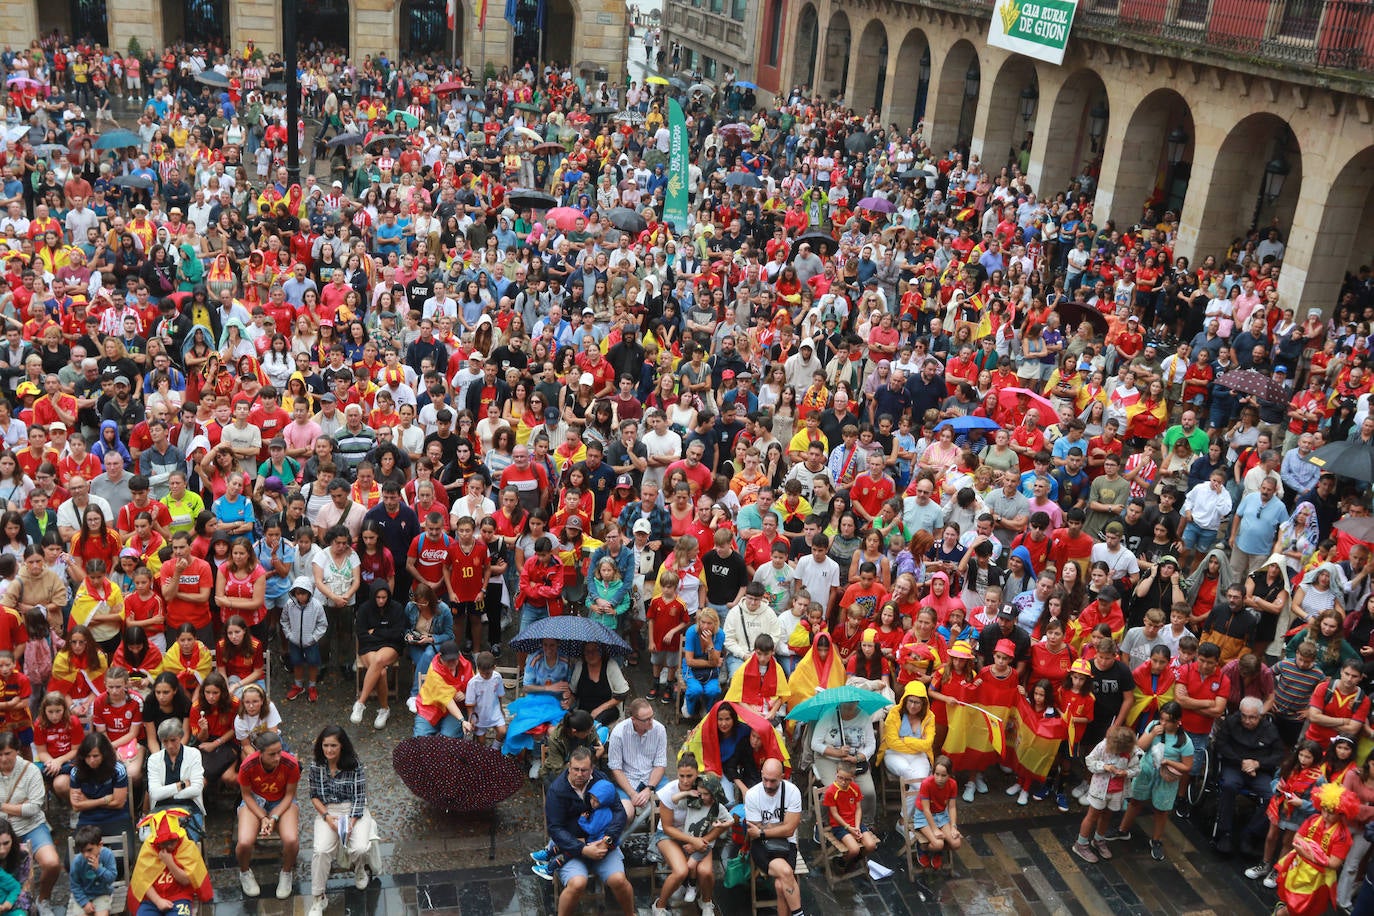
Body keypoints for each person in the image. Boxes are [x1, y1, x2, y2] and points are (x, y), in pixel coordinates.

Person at [543, 747, 634, 916]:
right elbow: (555, 828)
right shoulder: (557, 790)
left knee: (619, 880)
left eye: (584, 770)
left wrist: (608, 839)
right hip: (571, 845)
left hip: (601, 841)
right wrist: (582, 849)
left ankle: (631, 914)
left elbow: (618, 811)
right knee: (577, 883)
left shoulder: (601, 779)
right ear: (569, 767)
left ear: (591, 769)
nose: (579, 774)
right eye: (575, 769)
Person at [1104, 700, 1193, 862]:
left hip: (1166, 778)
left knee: (1161, 809)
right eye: (1162, 718)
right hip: (1146, 771)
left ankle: (1157, 840)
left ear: (1178, 721)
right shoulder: (1154, 726)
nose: (1163, 723)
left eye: (1168, 721)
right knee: (1136, 801)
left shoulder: (1185, 742)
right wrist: (1152, 734)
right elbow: (1139, 747)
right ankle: (1123, 830)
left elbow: (1187, 766)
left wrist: (1169, 762)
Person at [306, 727, 381, 916]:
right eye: (325, 745)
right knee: (320, 851)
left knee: (360, 848)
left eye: (333, 746)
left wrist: (351, 823)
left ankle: (360, 868)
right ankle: (318, 897)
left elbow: (359, 797)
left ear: (342, 746)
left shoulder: (355, 764)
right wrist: (327, 817)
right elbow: (314, 796)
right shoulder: (316, 765)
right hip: (328, 810)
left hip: (353, 810)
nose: (329, 750)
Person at [649, 754, 729, 916]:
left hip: (699, 835)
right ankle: (659, 905)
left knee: (706, 871)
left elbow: (720, 822)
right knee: (681, 871)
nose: (685, 781)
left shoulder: (705, 789)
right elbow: (667, 827)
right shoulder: (669, 792)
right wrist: (693, 841)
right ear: (677, 774)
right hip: (669, 835)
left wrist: (701, 841)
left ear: (697, 774)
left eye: (689, 776)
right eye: (681, 776)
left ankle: (706, 902)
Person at [1211, 697, 1284, 856]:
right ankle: (1225, 833)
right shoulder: (1231, 722)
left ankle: (1251, 833)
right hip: (1235, 765)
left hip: (1259, 770)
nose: (1247, 720)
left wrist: (1257, 764)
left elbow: (1278, 755)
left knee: (1272, 797)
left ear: (1260, 716)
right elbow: (1221, 745)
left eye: (1252, 717)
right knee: (1229, 786)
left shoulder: (1269, 728)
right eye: (1244, 716)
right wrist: (1242, 762)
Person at [235, 731, 301, 900]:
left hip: (282, 802)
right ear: (260, 753)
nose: (278, 757)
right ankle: (244, 872)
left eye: (279, 751)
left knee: (292, 839)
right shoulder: (247, 766)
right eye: (272, 754)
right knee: (244, 842)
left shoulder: (291, 764)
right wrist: (263, 817)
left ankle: (286, 872)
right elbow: (246, 795)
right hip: (254, 802)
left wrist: (274, 817)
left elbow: (289, 795)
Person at [0, 731, 61, 914]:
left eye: (7, 753)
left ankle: (43, 899)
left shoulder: (31, 770)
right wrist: (19, 807)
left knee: (52, 863)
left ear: (17, 752)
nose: (3, 759)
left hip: (31, 827)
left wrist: (3, 806)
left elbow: (34, 808)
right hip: (2, 830)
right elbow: (25, 808)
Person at [1070, 727, 1142, 863]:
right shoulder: (1103, 746)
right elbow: (1090, 761)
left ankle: (1098, 840)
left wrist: (1126, 773)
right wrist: (1104, 767)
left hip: (1117, 792)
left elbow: (1136, 769)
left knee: (1107, 816)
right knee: (1092, 816)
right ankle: (1081, 844)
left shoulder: (1131, 751)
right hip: (1100, 790)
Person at [743, 758, 804, 916]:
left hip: (786, 843)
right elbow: (753, 831)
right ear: (761, 774)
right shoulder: (752, 795)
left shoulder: (792, 792)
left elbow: (790, 830)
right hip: (761, 846)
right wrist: (780, 826)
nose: (768, 785)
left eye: (773, 781)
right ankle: (799, 913)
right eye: (765, 780)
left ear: (783, 776)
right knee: (785, 872)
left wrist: (764, 830)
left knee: (779, 885)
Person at [349, 581, 407, 730]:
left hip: (391, 646)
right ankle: (384, 709)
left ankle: (360, 702)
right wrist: (384, 633)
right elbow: (361, 635)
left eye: (384, 597)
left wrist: (376, 632)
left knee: (380, 660)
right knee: (380, 671)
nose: (381, 600)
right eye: (378, 597)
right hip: (369, 646)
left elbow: (398, 634)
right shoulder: (364, 609)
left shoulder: (397, 608)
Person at [607, 697, 667, 831]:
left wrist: (649, 788)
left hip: (652, 776)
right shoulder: (618, 733)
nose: (651, 722)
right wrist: (633, 794)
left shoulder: (659, 729)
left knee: (671, 806)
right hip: (627, 778)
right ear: (634, 720)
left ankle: (658, 834)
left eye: (652, 716)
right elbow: (616, 768)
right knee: (626, 814)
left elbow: (660, 764)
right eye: (646, 720)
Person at [145, 718, 205, 841]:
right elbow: (155, 794)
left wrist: (168, 794)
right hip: (161, 811)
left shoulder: (193, 754)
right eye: (165, 741)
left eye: (173, 740)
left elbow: (196, 789)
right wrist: (181, 785)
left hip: (190, 808)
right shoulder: (154, 759)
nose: (170, 745)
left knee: (185, 841)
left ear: (180, 737)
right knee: (160, 842)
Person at [822, 759, 879, 866]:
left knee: (871, 845)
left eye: (847, 779)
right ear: (836, 773)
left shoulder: (855, 788)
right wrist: (849, 828)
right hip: (840, 826)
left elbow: (858, 809)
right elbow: (834, 814)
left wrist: (857, 827)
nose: (843, 782)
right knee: (854, 849)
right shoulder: (831, 792)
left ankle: (854, 861)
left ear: (853, 778)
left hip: (855, 823)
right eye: (840, 778)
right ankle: (842, 863)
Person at [68, 824, 116, 916]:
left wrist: (99, 869)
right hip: (83, 894)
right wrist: (84, 902)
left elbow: (111, 878)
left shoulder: (107, 855)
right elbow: (75, 885)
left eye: (89, 850)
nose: (86, 855)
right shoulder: (77, 862)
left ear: (100, 845)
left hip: (102, 893)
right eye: (82, 851)